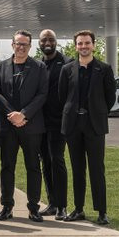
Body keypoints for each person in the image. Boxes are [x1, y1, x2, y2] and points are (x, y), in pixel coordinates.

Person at [58, 30, 116, 225]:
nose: (83, 46)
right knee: (77, 169)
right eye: (80, 43)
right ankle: (78, 209)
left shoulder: (104, 69)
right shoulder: (67, 69)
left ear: (93, 45)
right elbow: (62, 96)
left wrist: (98, 112)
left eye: (87, 43)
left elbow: (110, 97)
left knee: (97, 169)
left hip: (95, 125)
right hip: (73, 125)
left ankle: (102, 212)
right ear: (76, 46)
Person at [0, 30, 49, 222]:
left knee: (33, 167)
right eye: (18, 43)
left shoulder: (39, 67)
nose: (21, 47)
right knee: (7, 167)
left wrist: (23, 114)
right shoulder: (1, 67)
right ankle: (7, 206)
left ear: (30, 46)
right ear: (12, 44)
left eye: (25, 44)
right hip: (8, 126)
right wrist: (13, 115)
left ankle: (33, 208)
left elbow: (42, 94)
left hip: (31, 126)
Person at [37, 29, 71, 218]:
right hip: (40, 123)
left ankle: (62, 206)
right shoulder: (37, 65)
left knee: (57, 160)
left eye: (51, 39)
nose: (47, 42)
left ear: (56, 42)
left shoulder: (67, 63)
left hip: (59, 122)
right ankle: (51, 203)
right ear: (39, 43)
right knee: (46, 162)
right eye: (44, 40)